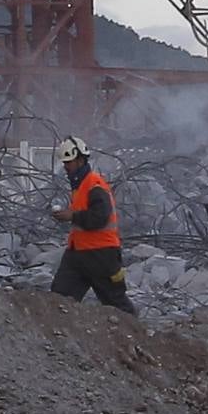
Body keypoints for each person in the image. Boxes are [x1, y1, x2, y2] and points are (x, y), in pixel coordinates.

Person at [49, 135, 136, 316]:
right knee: (58, 301)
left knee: (117, 305)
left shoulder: (94, 185)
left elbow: (100, 218)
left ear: (80, 160)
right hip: (78, 254)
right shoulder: (80, 186)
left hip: (101, 255)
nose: (65, 167)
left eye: (68, 162)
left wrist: (71, 215)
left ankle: (138, 337)